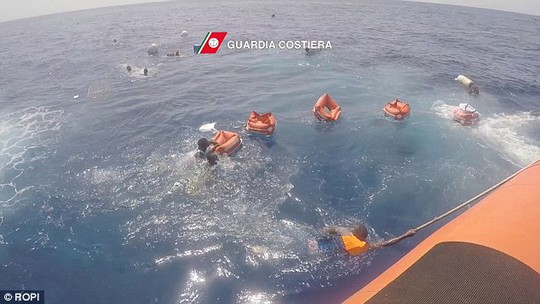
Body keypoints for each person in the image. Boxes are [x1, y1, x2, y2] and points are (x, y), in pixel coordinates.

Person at [310, 224, 400, 256]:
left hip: (317, 244)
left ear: (355, 233)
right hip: (325, 254)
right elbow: (384, 244)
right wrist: (405, 235)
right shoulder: (365, 246)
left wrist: (323, 234)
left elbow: (326, 229)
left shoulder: (346, 232)